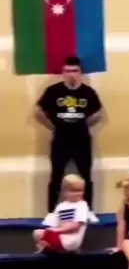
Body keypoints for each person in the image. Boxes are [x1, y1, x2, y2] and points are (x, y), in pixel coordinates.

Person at [34, 56, 103, 216]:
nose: (71, 74)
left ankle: (88, 212)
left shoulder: (88, 92)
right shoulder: (53, 91)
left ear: (80, 73)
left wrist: (83, 124)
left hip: (82, 141)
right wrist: (54, 127)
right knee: (56, 177)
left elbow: (98, 114)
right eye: (67, 71)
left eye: (75, 71)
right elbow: (39, 113)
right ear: (63, 72)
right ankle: (51, 213)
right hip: (60, 140)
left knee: (85, 177)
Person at [33, 174, 89, 253]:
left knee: (43, 237)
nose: (78, 194)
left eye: (80, 190)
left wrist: (57, 230)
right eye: (73, 191)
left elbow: (76, 226)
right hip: (60, 236)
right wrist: (49, 231)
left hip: (72, 239)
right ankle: (51, 249)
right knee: (37, 233)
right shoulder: (61, 206)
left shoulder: (82, 205)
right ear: (64, 191)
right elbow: (53, 224)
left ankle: (50, 248)